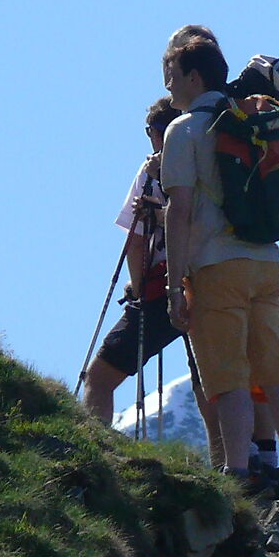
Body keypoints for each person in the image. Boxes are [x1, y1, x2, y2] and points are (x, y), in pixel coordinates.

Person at [159, 26, 279, 512]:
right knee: (276, 374)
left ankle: (238, 476)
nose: (167, 86)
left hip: (215, 266)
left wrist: (173, 287)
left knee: (227, 380)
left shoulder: (183, 130)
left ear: (191, 74)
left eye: (170, 75)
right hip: (267, 262)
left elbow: (179, 209)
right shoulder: (251, 118)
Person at [81, 97, 183, 429]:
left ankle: (94, 446)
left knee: (100, 376)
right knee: (210, 383)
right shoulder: (207, 161)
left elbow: (135, 237)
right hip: (211, 280)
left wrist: (138, 289)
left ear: (158, 133)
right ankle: (242, 465)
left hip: (160, 287)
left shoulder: (151, 172)